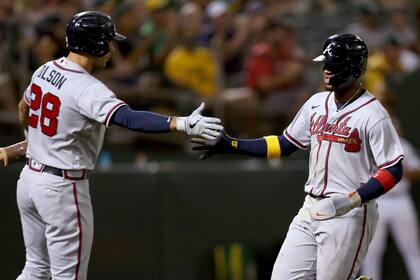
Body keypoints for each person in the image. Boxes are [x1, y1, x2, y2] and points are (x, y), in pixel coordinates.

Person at [0, 11, 222, 280]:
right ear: (95, 44)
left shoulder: (45, 69)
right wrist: (180, 123)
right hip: (62, 188)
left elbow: (25, 107)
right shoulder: (88, 88)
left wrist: (34, 140)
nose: (112, 47)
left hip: (29, 181)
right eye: (108, 41)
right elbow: (127, 117)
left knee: (35, 269)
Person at [192, 34, 404, 279]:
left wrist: (352, 200)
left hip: (349, 213)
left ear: (352, 67)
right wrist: (231, 145)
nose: (326, 70)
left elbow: (393, 169)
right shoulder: (316, 103)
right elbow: (284, 144)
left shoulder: (373, 114)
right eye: (325, 64)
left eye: (333, 65)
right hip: (311, 207)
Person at [362, 135, 420, 280]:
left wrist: (404, 171)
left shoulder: (402, 144)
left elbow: (417, 170)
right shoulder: (366, 146)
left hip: (401, 198)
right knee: (372, 252)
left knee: (412, 250)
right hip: (377, 200)